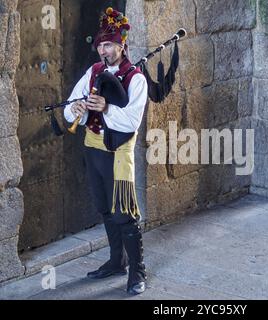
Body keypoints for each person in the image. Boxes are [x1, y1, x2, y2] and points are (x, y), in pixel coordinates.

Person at [64, 7, 148, 296]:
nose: (104, 50)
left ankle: (137, 271)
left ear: (121, 45)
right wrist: (74, 109)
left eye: (109, 44)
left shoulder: (135, 78)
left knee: (123, 212)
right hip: (93, 147)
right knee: (105, 208)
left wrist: (106, 108)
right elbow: (73, 101)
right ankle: (116, 261)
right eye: (100, 45)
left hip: (118, 152)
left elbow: (132, 120)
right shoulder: (94, 72)